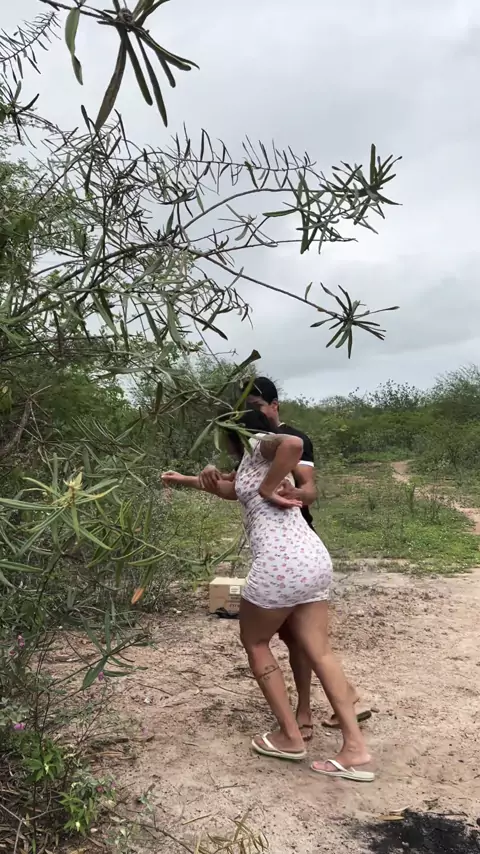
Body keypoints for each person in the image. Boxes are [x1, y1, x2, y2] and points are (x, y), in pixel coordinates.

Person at [162, 409, 374, 782]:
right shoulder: (252, 463)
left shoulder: (259, 444)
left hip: (280, 563)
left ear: (235, 432)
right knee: (320, 651)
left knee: (256, 641)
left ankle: (290, 736)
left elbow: (292, 443)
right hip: (312, 558)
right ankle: (355, 748)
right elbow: (231, 490)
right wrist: (185, 480)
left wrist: (265, 488)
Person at [198, 377, 371, 736]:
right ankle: (340, 717)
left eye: (255, 406)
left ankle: (303, 716)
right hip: (294, 551)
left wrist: (284, 492)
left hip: (290, 547)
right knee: (303, 640)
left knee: (292, 641)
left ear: (273, 406)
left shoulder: (284, 438)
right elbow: (237, 485)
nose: (249, 413)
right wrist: (197, 478)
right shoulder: (252, 446)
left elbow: (309, 489)